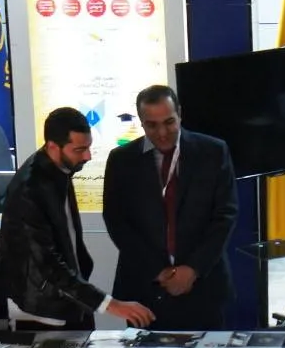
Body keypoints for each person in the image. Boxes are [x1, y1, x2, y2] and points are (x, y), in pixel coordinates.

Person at [0, 107, 154, 330]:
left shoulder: (60, 169)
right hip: (43, 311)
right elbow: (48, 264)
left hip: (70, 298)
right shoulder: (29, 191)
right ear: (53, 146)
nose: (88, 156)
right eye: (80, 150)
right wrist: (109, 304)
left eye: (88, 147)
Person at [102, 85, 238, 329]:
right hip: (144, 290)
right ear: (141, 123)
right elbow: (117, 221)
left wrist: (192, 269)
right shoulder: (121, 160)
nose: (162, 133)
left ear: (180, 114)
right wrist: (157, 270)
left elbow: (224, 215)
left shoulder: (213, 152)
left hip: (203, 287)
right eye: (152, 125)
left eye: (169, 122)